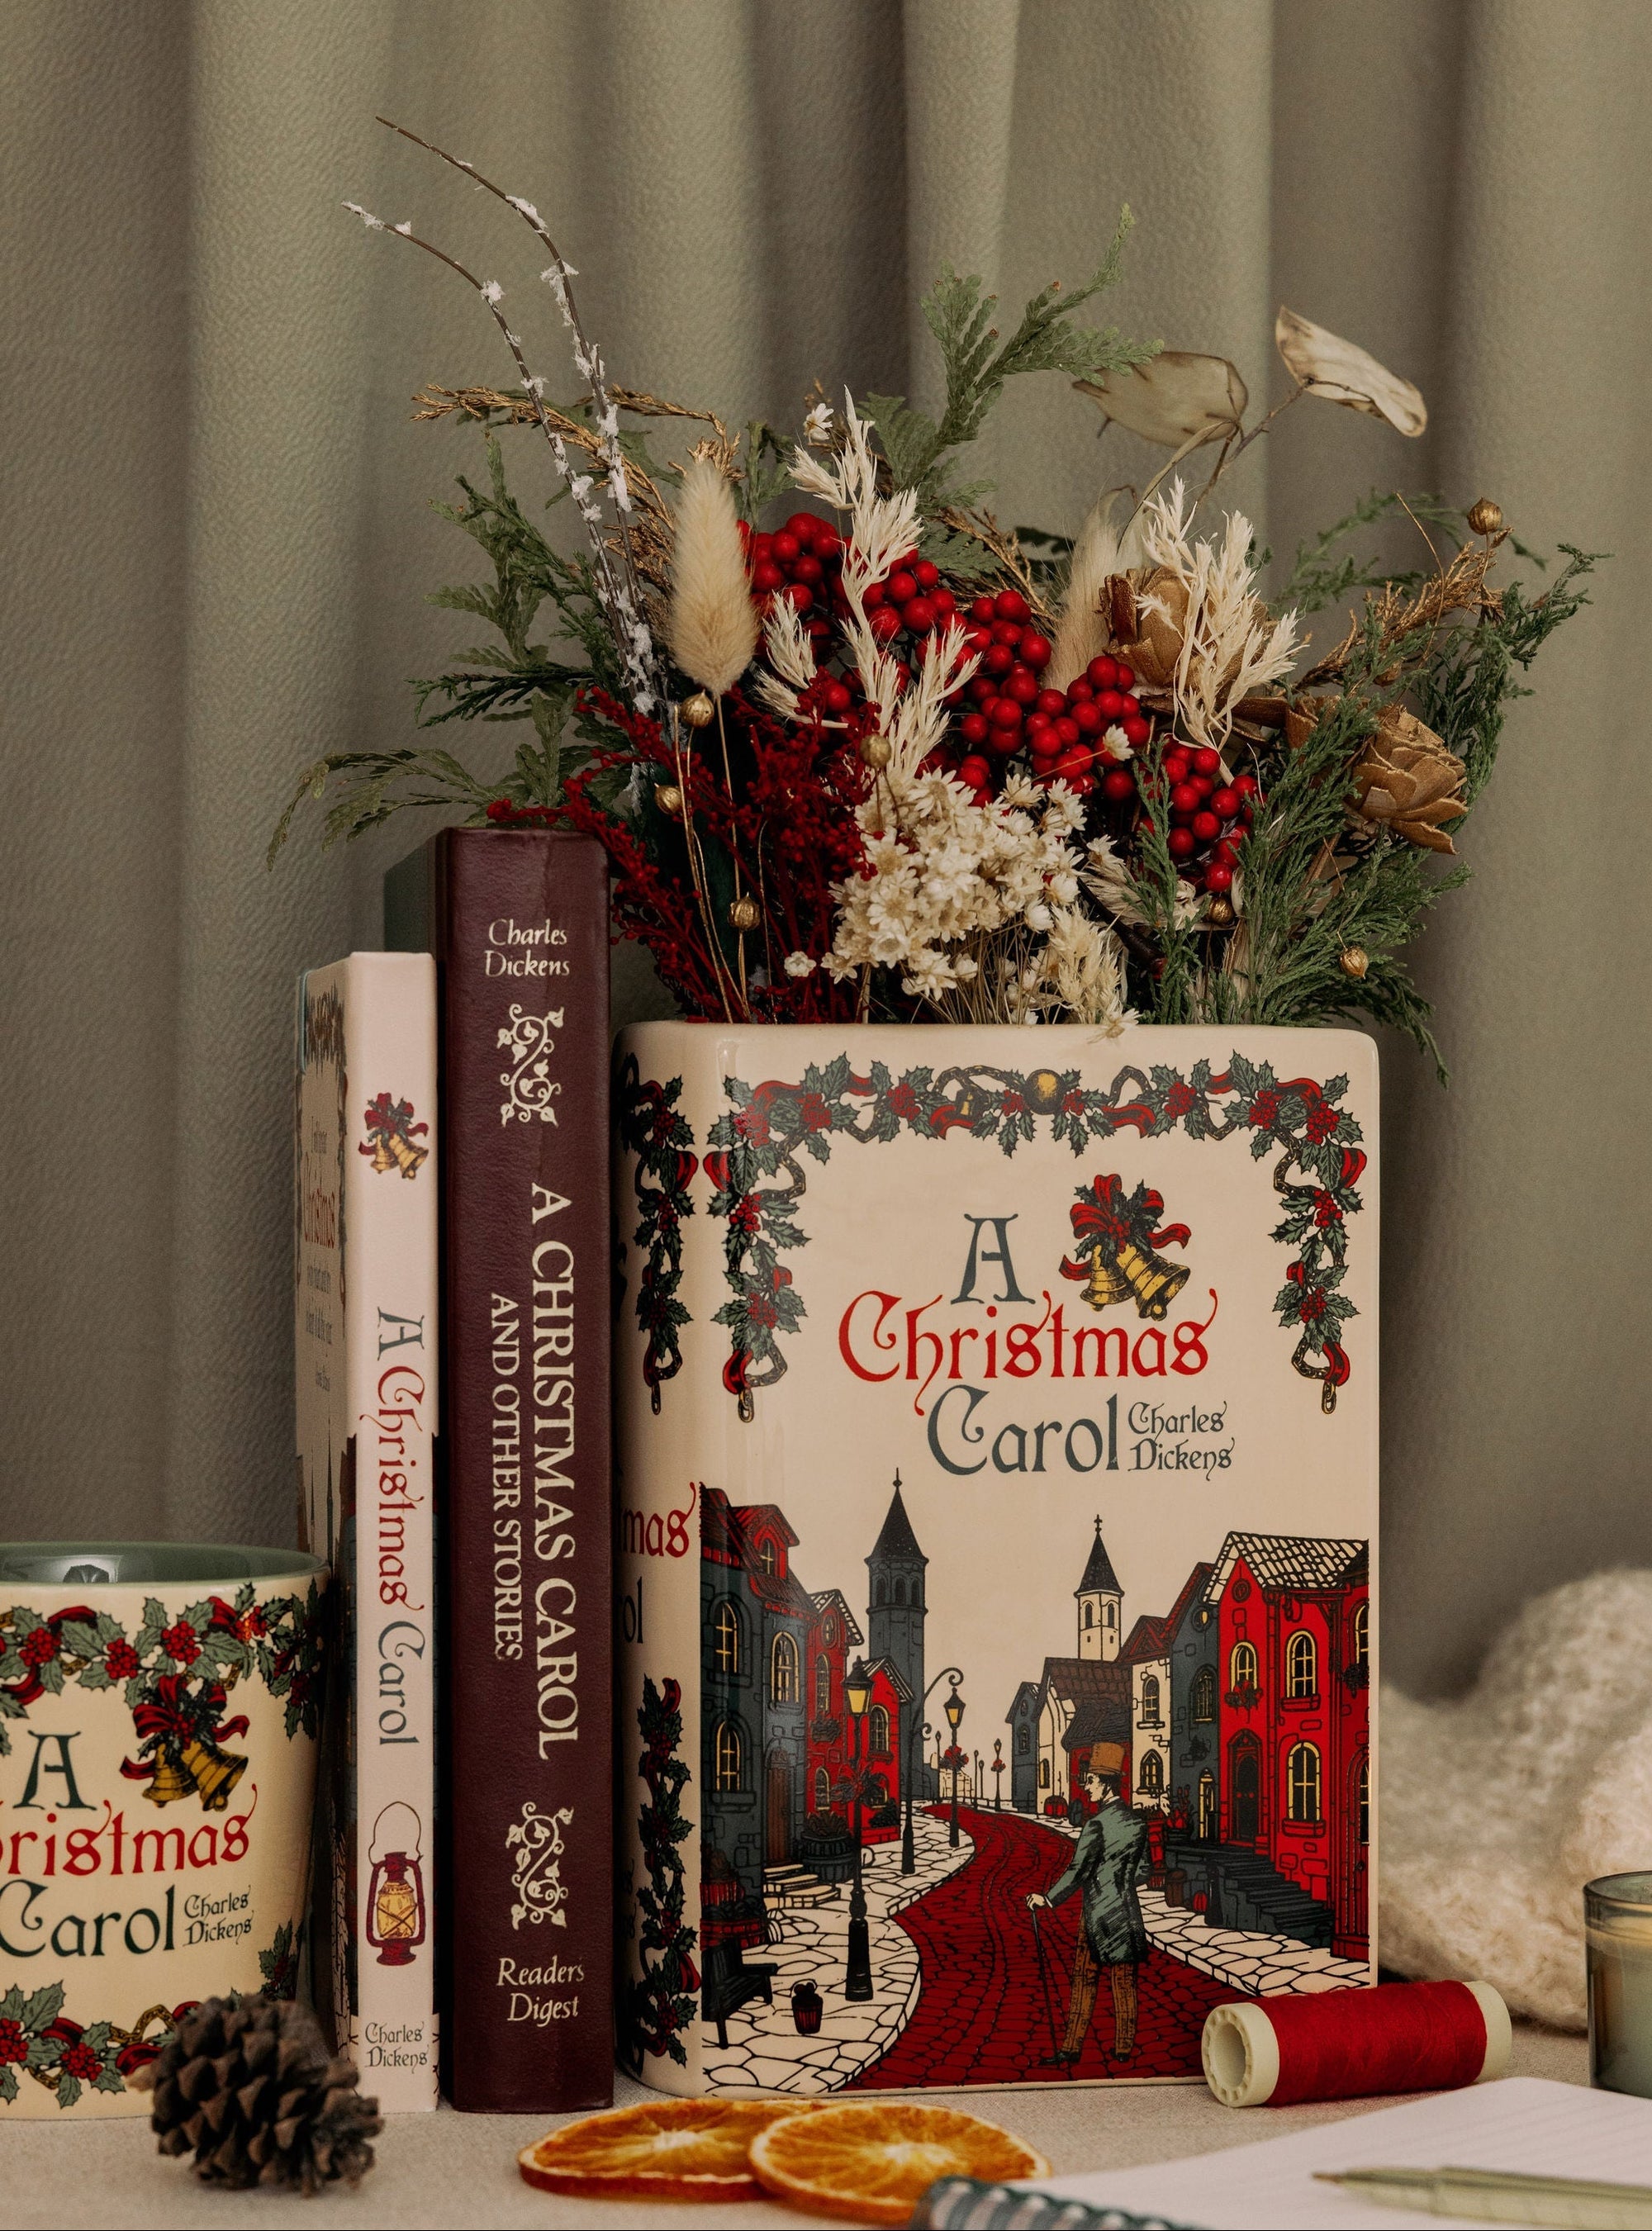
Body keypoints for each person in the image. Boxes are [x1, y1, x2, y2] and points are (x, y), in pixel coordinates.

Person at [1026, 1760, 1149, 2063]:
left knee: (1084, 1979)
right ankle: (1123, 2049)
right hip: (1128, 1912)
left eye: (1091, 1781)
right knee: (1124, 1981)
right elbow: (1145, 1870)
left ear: (1106, 1783)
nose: (1086, 1787)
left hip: (1097, 1913)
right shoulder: (1138, 1823)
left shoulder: (1096, 1825)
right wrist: (1118, 1882)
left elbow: (1077, 1870)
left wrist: (1048, 1899)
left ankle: (1071, 2048)